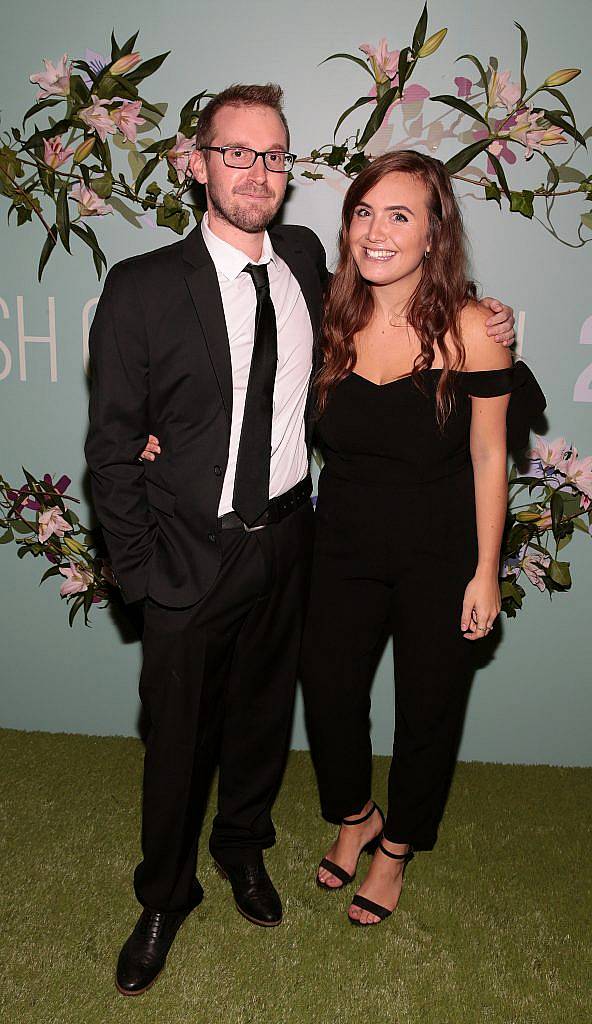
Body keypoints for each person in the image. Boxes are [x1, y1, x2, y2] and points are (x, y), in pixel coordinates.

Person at [86, 82, 515, 995]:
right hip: (188, 559)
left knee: (258, 727)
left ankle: (245, 849)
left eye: (273, 155)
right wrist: (139, 574)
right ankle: (164, 894)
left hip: (291, 543)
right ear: (196, 162)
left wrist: (490, 321)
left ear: (289, 171)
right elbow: (114, 444)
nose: (256, 171)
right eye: (235, 152)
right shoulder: (142, 286)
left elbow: (423, 334)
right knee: (176, 743)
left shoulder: (305, 256)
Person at [299, 150, 545, 927]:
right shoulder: (325, 317)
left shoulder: (474, 328)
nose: (376, 231)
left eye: (400, 215)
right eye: (364, 212)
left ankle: (396, 846)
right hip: (339, 540)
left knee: (428, 708)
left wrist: (484, 570)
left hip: (441, 549)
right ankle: (354, 813)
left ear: (435, 234)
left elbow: (488, 454)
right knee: (330, 690)